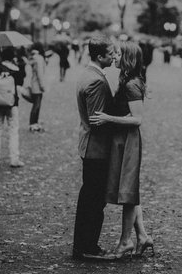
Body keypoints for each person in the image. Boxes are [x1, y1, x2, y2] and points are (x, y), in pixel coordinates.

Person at [90, 41, 153, 260]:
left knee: (127, 191)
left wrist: (108, 118)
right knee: (128, 190)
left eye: (119, 53)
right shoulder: (126, 80)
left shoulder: (131, 84)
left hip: (128, 140)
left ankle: (126, 241)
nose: (115, 56)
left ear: (128, 58)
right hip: (121, 140)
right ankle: (142, 236)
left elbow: (137, 119)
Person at [72, 36, 116, 261]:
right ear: (100, 56)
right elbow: (97, 120)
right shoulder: (96, 80)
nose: (114, 56)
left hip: (89, 145)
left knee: (89, 196)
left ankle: (83, 244)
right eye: (111, 53)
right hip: (97, 149)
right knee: (94, 200)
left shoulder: (87, 74)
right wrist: (120, 122)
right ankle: (87, 246)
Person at [0, 46, 25, 168]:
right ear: (12, 57)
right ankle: (14, 159)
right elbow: (21, 82)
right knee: (13, 132)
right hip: (12, 103)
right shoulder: (16, 69)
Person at [27, 42, 47, 132]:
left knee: (36, 105)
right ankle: (33, 124)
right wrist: (42, 85)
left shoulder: (34, 57)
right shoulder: (39, 58)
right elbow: (40, 74)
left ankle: (34, 123)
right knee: (37, 105)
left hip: (34, 83)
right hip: (37, 85)